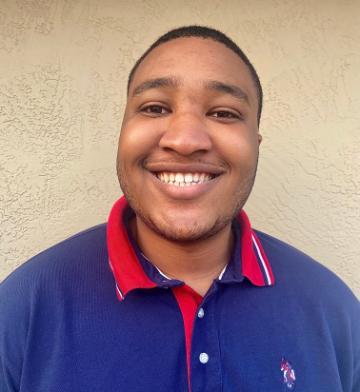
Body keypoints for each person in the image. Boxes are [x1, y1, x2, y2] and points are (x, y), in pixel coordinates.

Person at [0, 25, 359, 392]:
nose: (185, 141)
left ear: (256, 142)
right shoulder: (24, 308)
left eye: (223, 113)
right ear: (122, 134)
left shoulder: (334, 313)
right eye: (155, 107)